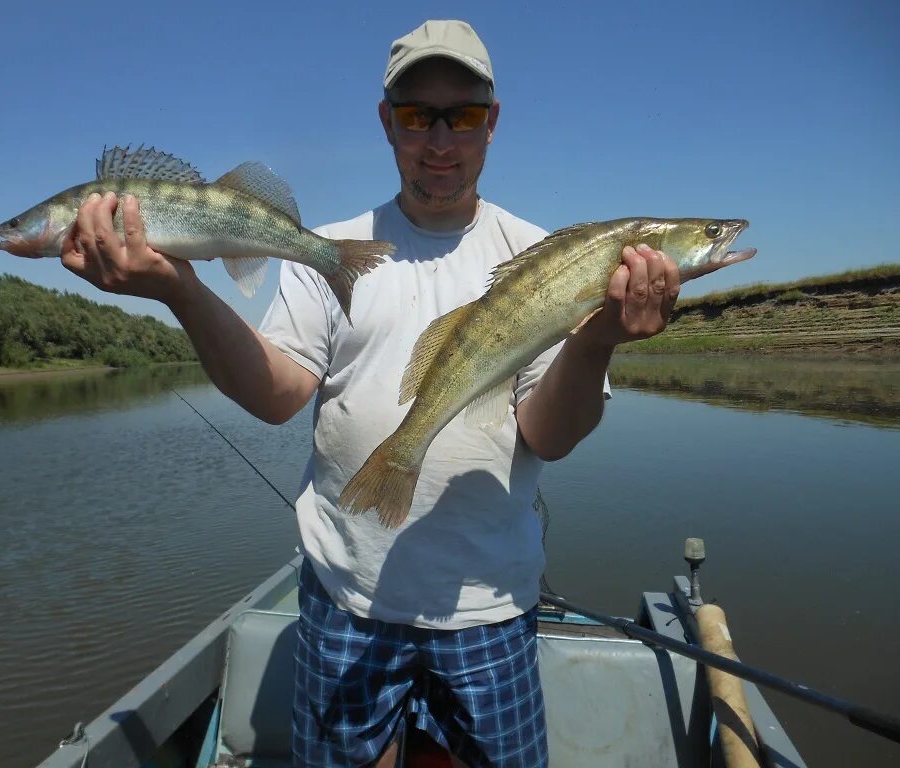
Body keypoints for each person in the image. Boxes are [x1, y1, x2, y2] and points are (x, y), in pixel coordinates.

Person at [60, 19, 680, 768]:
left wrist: (596, 339)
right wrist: (181, 292)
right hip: (345, 599)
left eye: (465, 115)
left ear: (494, 122)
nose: (441, 140)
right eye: (419, 115)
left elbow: (546, 435)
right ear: (387, 123)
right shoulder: (331, 248)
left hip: (488, 605)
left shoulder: (539, 258)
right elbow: (278, 394)